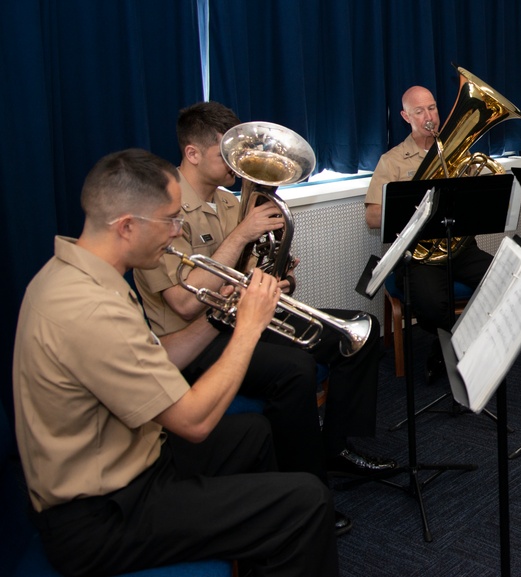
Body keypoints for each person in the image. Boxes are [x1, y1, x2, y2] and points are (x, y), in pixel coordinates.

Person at [12, 149, 340, 576]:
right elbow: (194, 421)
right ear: (126, 226)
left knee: (254, 432)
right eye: (169, 220)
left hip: (134, 459)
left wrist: (224, 313)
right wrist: (248, 328)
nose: (176, 232)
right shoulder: (88, 309)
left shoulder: (82, 273)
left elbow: (162, 357)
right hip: (102, 516)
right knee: (306, 501)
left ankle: (261, 549)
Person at [134, 102, 394, 504]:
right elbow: (185, 305)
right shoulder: (161, 213)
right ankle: (305, 490)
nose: (237, 164)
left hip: (239, 318)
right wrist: (241, 234)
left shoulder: (225, 202)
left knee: (361, 332)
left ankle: (335, 446)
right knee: (295, 369)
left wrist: (277, 279)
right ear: (192, 154)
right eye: (227, 155)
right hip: (193, 338)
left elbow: (246, 276)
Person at [364, 85, 494, 379]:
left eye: (432, 108)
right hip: (419, 254)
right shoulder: (392, 161)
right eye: (419, 111)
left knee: (502, 282)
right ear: (405, 116)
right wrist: (413, 209)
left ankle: (447, 347)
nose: (429, 117)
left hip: (460, 248)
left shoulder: (458, 152)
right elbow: (372, 217)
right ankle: (454, 349)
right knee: (433, 307)